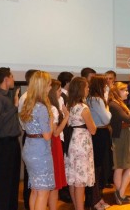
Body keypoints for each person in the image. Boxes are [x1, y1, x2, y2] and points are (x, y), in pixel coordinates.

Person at [20, 71, 54, 210]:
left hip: (29, 148)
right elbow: (47, 135)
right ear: (43, 86)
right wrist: (52, 121)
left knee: (35, 190)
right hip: (40, 152)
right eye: (49, 84)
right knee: (43, 192)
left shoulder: (28, 103)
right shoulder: (41, 108)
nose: (50, 87)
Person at [0, 67, 21, 210]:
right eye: (12, 76)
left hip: (13, 143)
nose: (14, 79)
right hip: (5, 144)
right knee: (4, 180)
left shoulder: (6, 97)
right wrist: (14, 107)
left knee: (13, 179)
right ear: (6, 79)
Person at [66, 77, 97, 210]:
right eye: (86, 87)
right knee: (80, 182)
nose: (88, 89)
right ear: (80, 90)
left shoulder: (69, 105)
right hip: (82, 144)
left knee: (73, 179)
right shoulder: (83, 108)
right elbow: (93, 129)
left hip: (72, 142)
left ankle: (76, 206)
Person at [109, 82, 130, 205]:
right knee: (120, 166)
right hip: (120, 137)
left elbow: (129, 118)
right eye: (124, 90)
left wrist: (129, 115)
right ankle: (119, 194)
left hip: (125, 134)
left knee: (128, 165)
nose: (127, 92)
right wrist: (129, 114)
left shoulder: (120, 104)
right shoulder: (114, 104)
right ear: (117, 92)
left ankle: (120, 193)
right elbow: (128, 118)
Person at [87, 75, 112, 210]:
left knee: (98, 168)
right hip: (100, 134)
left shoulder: (91, 99)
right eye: (104, 85)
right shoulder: (97, 100)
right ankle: (95, 199)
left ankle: (97, 198)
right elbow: (107, 118)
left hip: (97, 134)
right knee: (97, 168)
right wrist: (107, 108)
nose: (106, 87)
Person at [18, 69, 38, 210]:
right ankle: (29, 204)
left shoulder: (35, 97)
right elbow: (24, 122)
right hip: (32, 136)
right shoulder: (26, 98)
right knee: (30, 175)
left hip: (37, 138)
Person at [48, 79, 69, 210]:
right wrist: (66, 116)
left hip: (50, 143)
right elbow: (55, 132)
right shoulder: (53, 108)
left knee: (52, 181)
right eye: (59, 90)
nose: (61, 93)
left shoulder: (49, 106)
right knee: (54, 181)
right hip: (54, 143)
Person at [57, 71, 74, 203]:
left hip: (68, 130)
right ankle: (63, 191)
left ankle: (66, 188)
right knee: (63, 159)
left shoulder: (67, 95)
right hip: (64, 131)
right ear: (67, 82)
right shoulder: (61, 96)